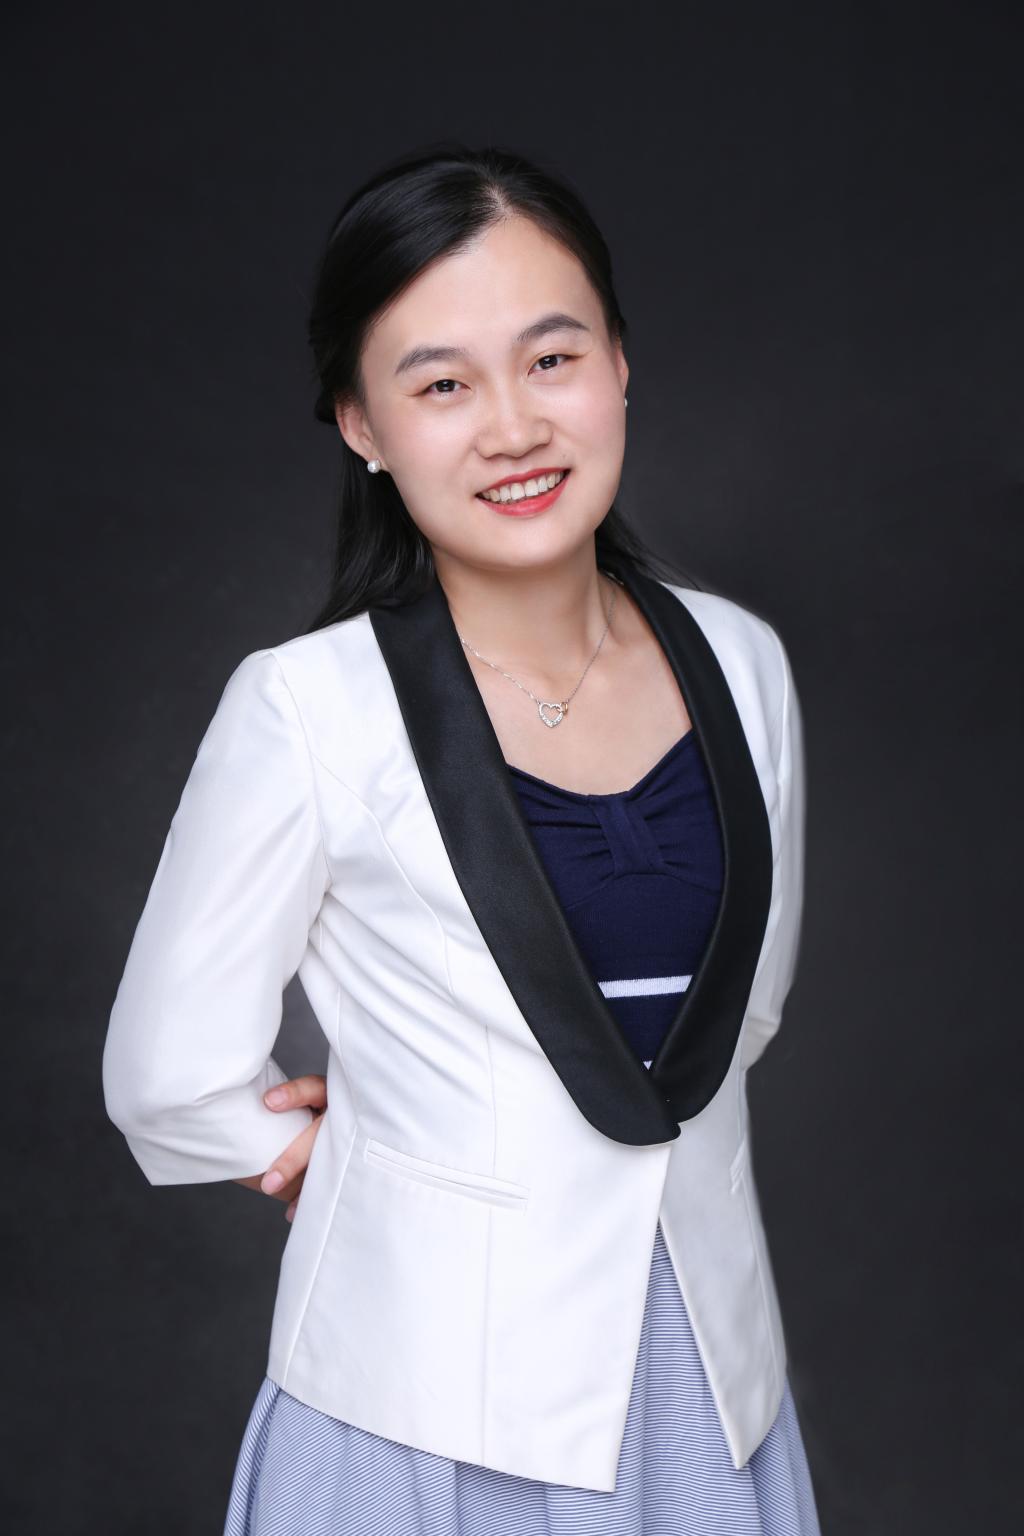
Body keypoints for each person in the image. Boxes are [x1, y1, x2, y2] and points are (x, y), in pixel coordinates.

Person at [102, 142, 821, 1534]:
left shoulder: (741, 661)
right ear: (361, 424)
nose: (513, 426)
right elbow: (166, 1072)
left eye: (552, 359)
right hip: (425, 1401)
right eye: (441, 385)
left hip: (708, 1386)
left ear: (620, 361)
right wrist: (345, 1149)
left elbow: (744, 1011)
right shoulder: (308, 707)